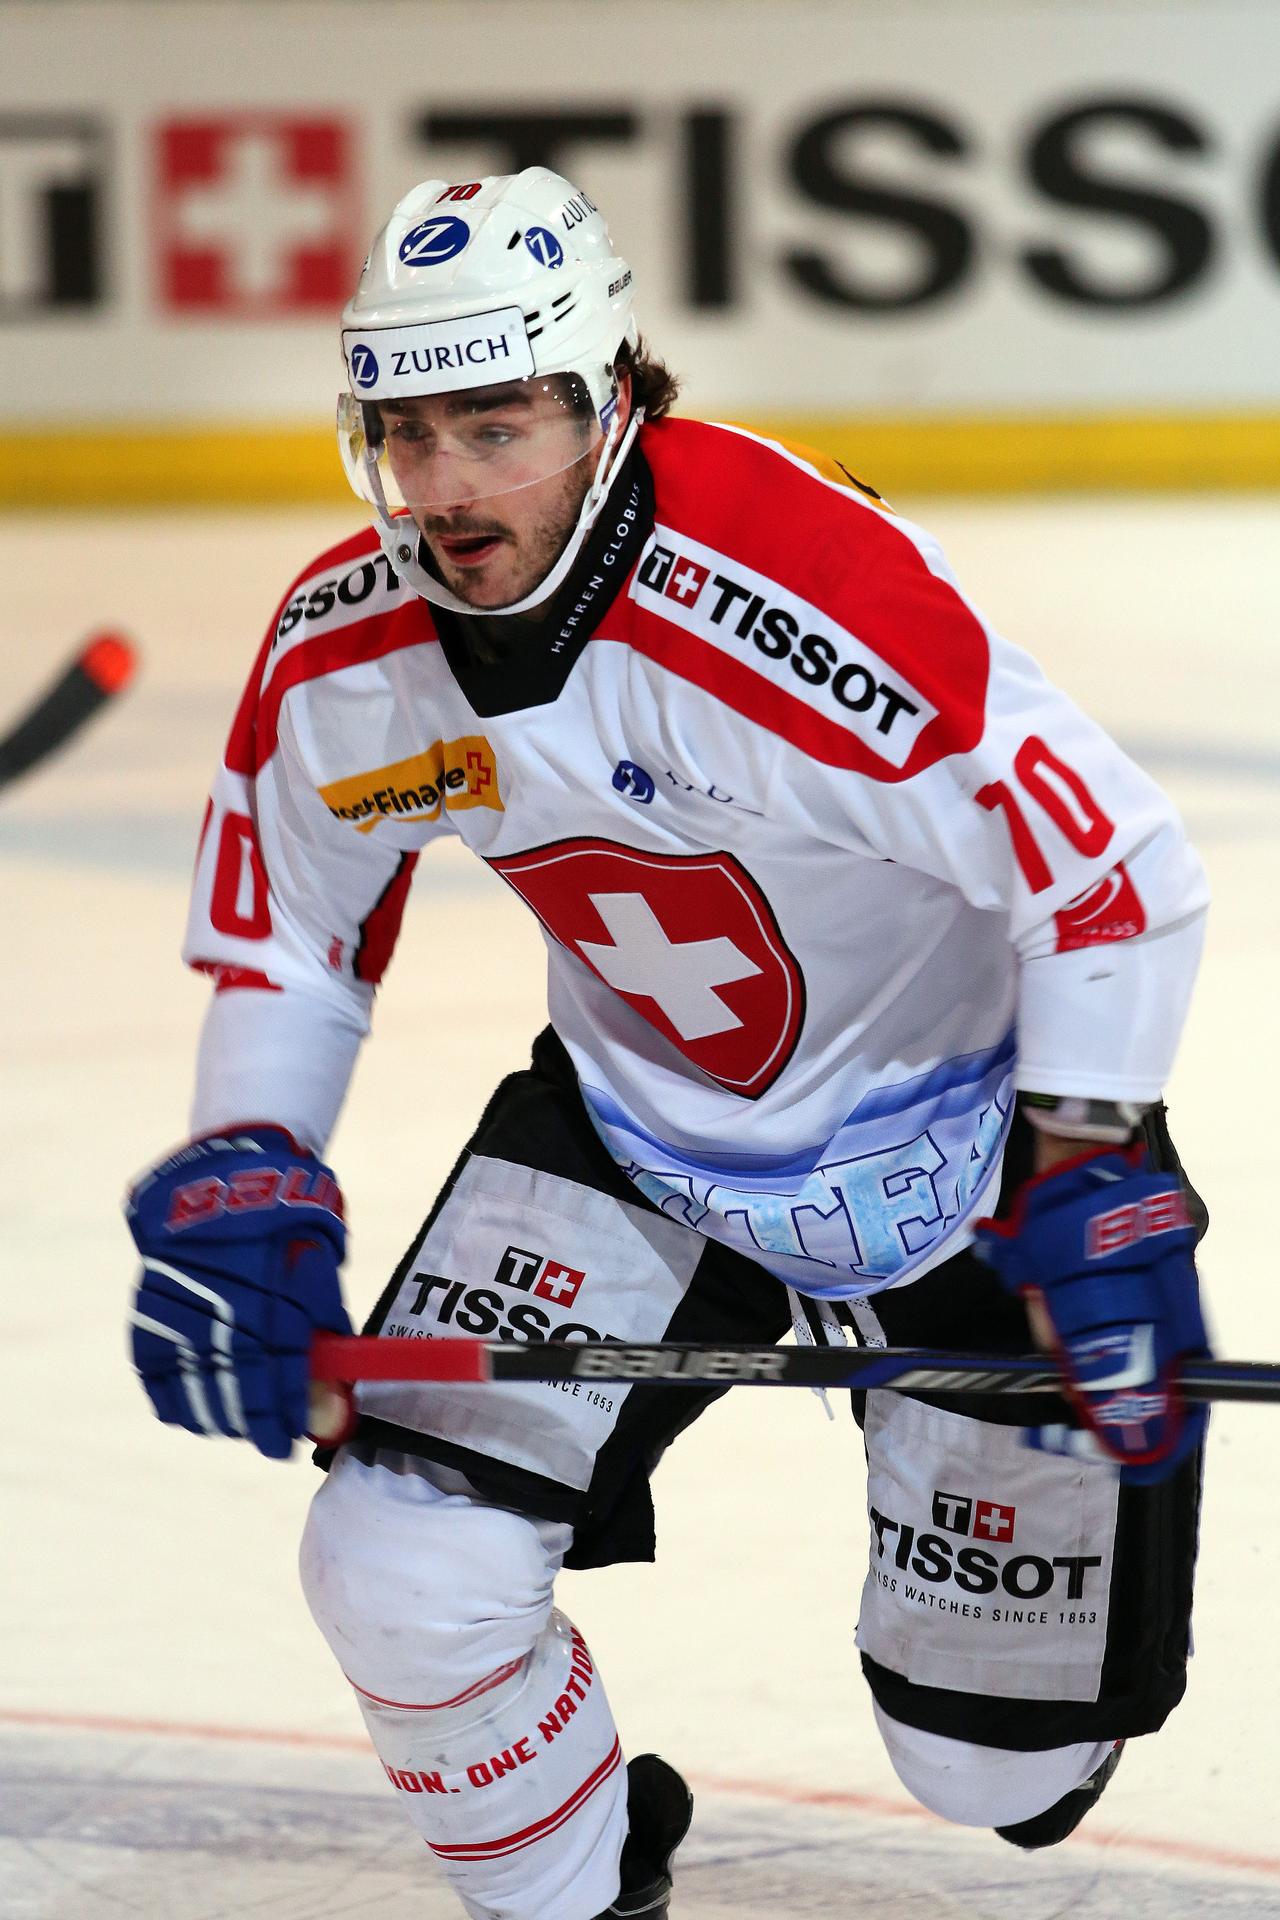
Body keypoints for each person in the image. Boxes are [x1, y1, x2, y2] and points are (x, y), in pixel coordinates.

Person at [125, 167, 1212, 1919]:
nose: (452, 487)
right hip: (640, 1146)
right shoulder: (356, 657)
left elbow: (1108, 871)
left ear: (609, 392)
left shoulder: (801, 603)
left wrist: (1093, 1171)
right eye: (410, 434)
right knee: (397, 1561)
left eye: (500, 423)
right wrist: (252, 1162)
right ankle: (585, 1881)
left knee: (989, 1768)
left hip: (967, 1153)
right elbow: (295, 930)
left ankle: (1006, 1704)